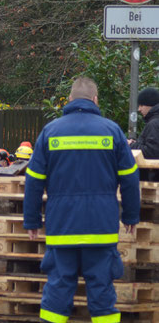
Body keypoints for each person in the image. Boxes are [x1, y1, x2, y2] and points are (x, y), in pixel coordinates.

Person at [24, 77, 140, 323]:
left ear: (69, 100)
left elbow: (34, 180)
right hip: (101, 228)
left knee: (57, 289)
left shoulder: (50, 131)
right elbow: (130, 178)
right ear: (95, 100)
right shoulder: (112, 131)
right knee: (102, 291)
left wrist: (32, 220)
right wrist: (131, 216)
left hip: (62, 227)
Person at [129, 87, 159, 159]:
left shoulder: (153, 124)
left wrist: (131, 145)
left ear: (150, 105)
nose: (139, 109)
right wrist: (136, 143)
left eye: (141, 105)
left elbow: (151, 152)